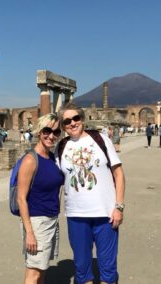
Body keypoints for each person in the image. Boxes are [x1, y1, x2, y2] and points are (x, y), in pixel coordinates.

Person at [56, 103, 125, 284]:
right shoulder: (61, 147)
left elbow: (118, 174)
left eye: (76, 118)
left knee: (108, 268)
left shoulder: (101, 140)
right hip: (76, 215)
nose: (73, 123)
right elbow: (53, 180)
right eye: (67, 121)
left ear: (82, 119)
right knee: (82, 268)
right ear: (63, 126)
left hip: (106, 214)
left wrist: (119, 206)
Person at [17, 113, 64, 284]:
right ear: (38, 131)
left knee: (41, 270)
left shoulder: (51, 158)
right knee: (34, 273)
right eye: (47, 130)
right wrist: (29, 233)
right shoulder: (30, 160)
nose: (51, 135)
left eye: (56, 132)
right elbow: (21, 198)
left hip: (51, 219)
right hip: (37, 222)